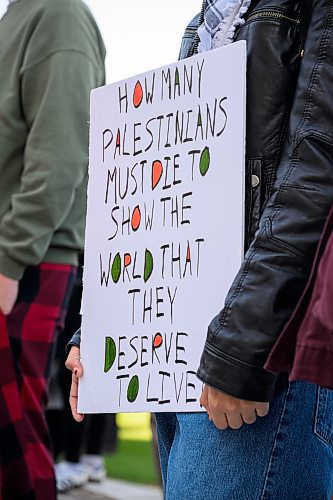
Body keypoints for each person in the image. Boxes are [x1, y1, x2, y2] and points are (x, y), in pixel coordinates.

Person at [66, 0, 333, 499]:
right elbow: (164, 204)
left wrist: (243, 349)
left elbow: (315, 178)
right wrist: (100, 329)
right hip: (183, 361)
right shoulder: (205, 22)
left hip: (258, 356)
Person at [0, 0, 105, 498]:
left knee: (15, 456)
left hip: (27, 261)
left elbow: (61, 153)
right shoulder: (17, 17)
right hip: (17, 257)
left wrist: (9, 258)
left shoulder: (57, 13)